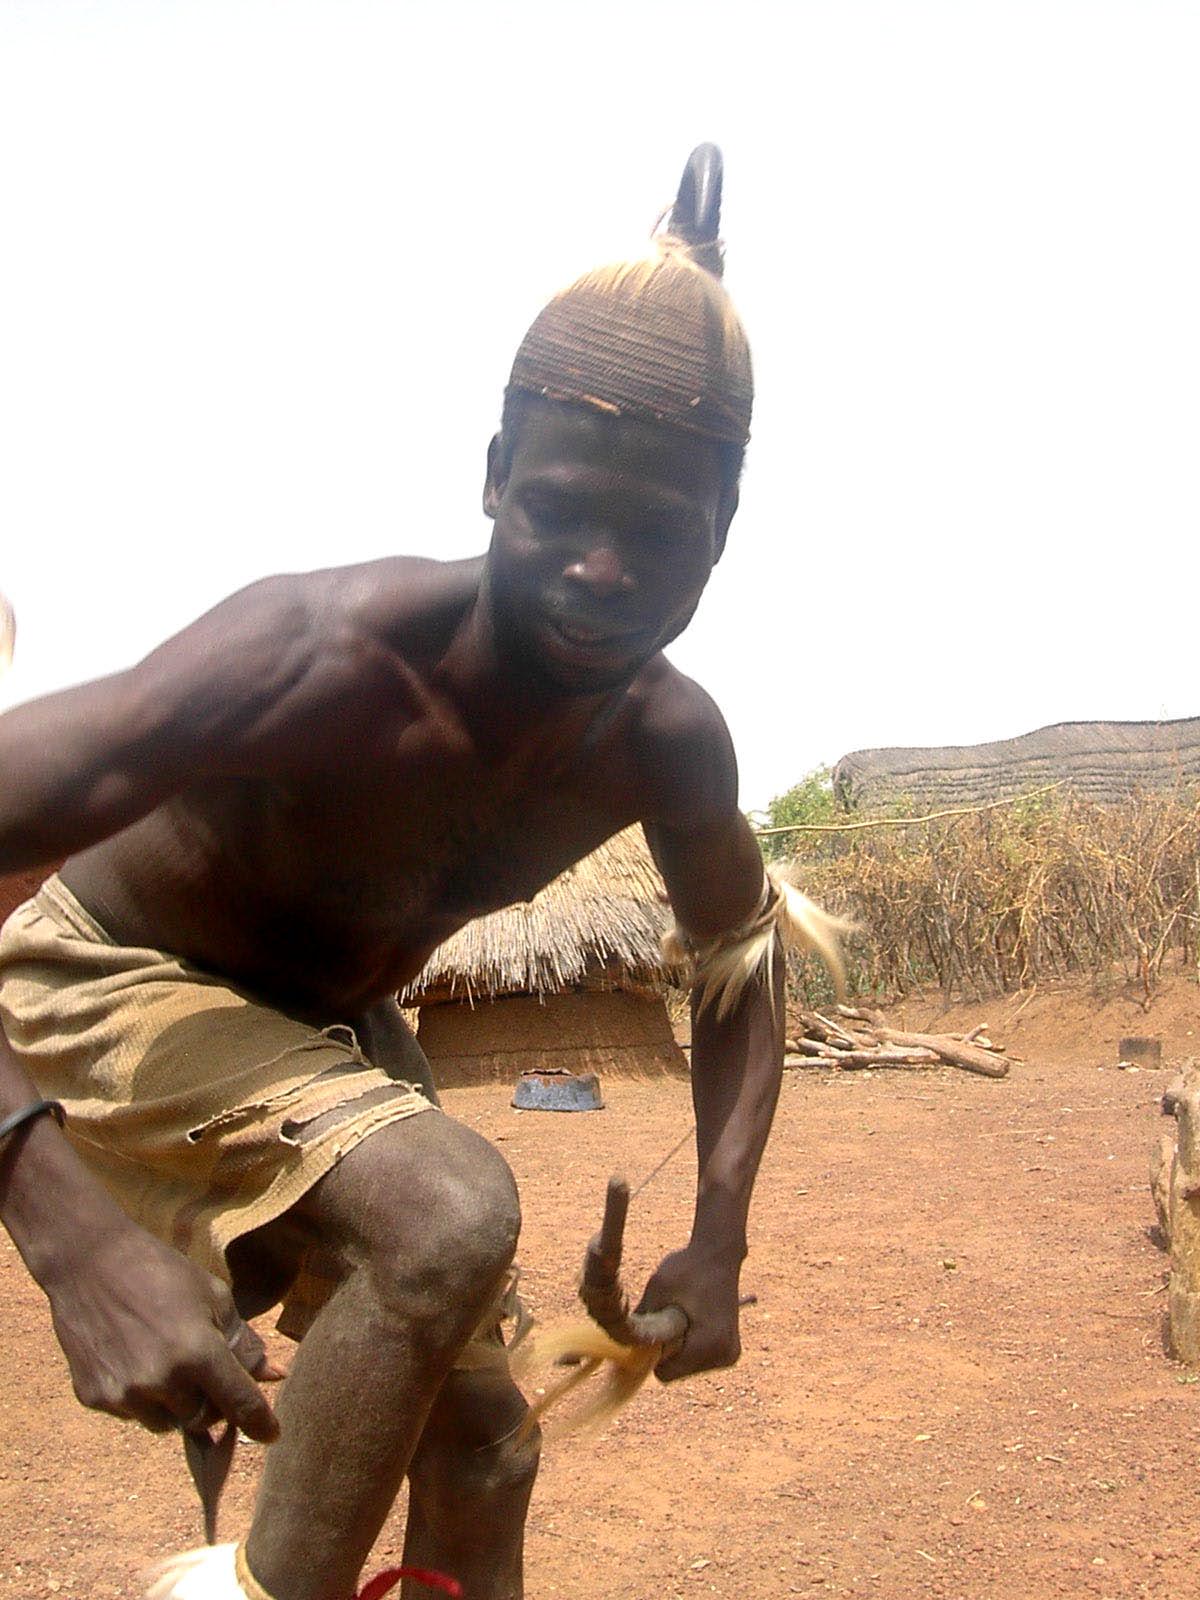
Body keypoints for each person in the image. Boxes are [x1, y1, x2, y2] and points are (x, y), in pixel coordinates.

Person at [0, 146, 841, 1600]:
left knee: (487, 1452)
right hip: (117, 976)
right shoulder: (317, 657)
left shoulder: (666, 742)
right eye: (562, 508)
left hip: (332, 1033)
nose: (603, 571)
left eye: (660, 535)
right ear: (495, 477)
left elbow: (742, 964)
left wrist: (718, 1234)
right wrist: (69, 1236)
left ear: (721, 540)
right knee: (448, 1208)